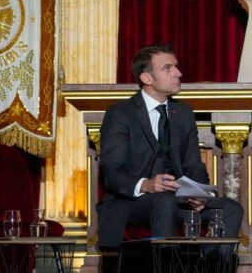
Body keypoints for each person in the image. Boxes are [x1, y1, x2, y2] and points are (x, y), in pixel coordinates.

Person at [97, 44, 243, 271]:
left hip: (175, 199)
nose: (178, 73)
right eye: (168, 68)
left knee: (231, 209)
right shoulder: (120, 114)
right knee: (163, 201)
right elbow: (112, 172)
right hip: (131, 202)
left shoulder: (183, 113)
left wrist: (198, 193)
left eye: (176, 67)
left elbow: (194, 166)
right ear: (147, 77)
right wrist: (147, 184)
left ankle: (211, 269)